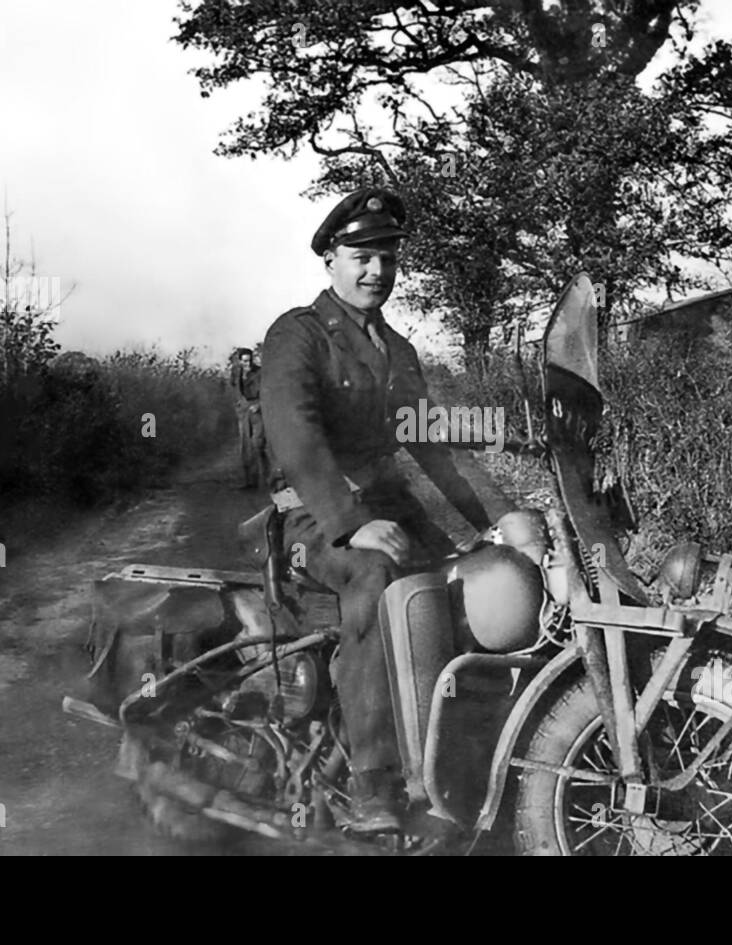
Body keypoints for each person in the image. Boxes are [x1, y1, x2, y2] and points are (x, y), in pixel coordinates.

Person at [260, 187, 493, 834]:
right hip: (314, 521)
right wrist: (352, 520)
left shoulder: (398, 350)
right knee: (374, 579)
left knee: (470, 578)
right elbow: (295, 438)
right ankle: (375, 785)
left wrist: (498, 520)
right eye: (361, 256)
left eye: (388, 258)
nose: (377, 271)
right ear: (330, 258)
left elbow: (435, 446)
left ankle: (449, 746)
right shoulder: (298, 336)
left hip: (387, 509)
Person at [231, 346, 269, 489]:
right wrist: (239, 404)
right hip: (243, 410)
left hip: (257, 410)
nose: (247, 364)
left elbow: (267, 390)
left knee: (258, 444)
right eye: (244, 361)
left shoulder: (259, 372)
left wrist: (259, 404)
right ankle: (250, 481)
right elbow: (234, 388)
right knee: (245, 447)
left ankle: (267, 478)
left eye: (249, 360)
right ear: (240, 361)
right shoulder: (236, 373)